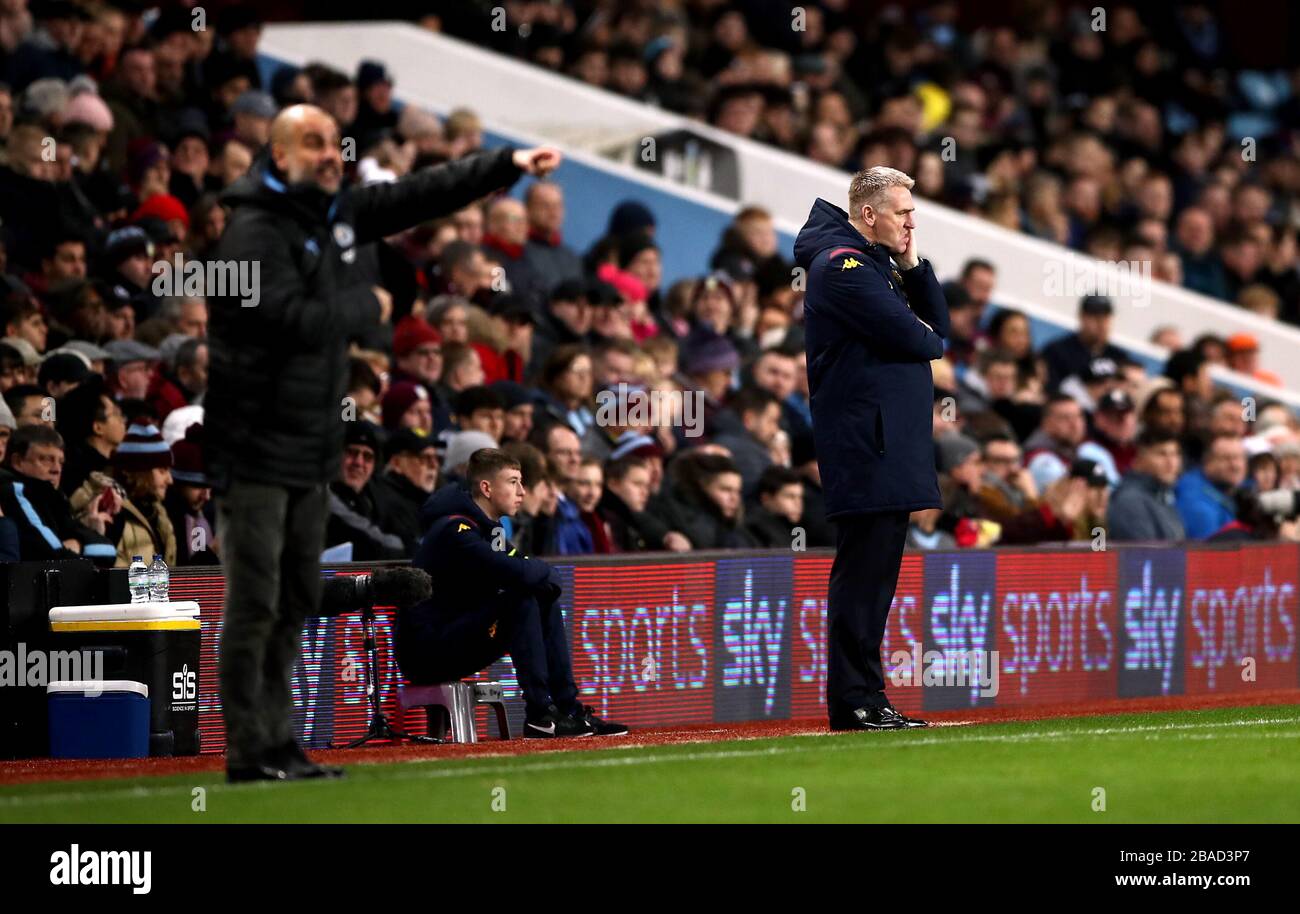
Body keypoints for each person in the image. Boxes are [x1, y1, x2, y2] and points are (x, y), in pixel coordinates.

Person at [205, 100, 563, 783]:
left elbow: (415, 195)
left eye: (330, 142)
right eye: (309, 142)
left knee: (292, 598)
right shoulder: (255, 229)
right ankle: (249, 751)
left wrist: (504, 166)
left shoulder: (333, 212)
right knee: (258, 601)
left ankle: (277, 745)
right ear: (277, 155)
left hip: (309, 447)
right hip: (253, 446)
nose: (324, 153)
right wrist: (364, 309)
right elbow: (279, 317)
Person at [793, 165, 947, 731]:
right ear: (868, 215)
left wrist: (911, 266)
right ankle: (854, 699)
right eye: (902, 212)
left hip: (885, 444)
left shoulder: (874, 265)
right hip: (869, 446)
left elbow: (935, 327)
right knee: (863, 579)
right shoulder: (845, 268)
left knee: (875, 580)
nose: (912, 221)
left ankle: (866, 696)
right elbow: (924, 338)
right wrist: (920, 324)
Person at [399, 448, 627, 738]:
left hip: (456, 634)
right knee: (520, 599)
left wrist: (537, 572)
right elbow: (517, 571)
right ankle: (540, 713)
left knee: (541, 597)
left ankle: (567, 708)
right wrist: (536, 571)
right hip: (427, 652)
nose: (522, 491)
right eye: (513, 482)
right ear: (487, 488)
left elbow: (533, 572)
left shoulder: (486, 531)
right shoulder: (454, 530)